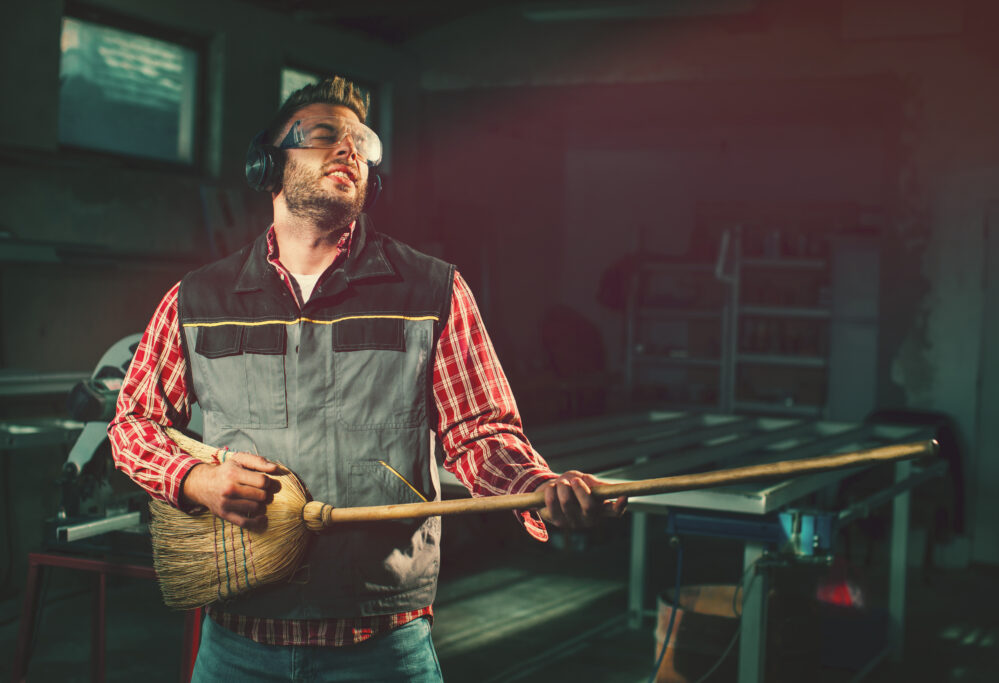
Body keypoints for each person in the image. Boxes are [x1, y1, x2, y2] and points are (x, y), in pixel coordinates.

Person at [109, 76, 625, 682]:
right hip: (239, 645)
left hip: (382, 647)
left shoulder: (431, 291)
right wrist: (192, 478)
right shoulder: (197, 299)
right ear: (267, 165)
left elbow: (479, 432)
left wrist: (541, 488)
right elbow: (132, 425)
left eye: (361, 141)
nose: (349, 149)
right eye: (325, 134)